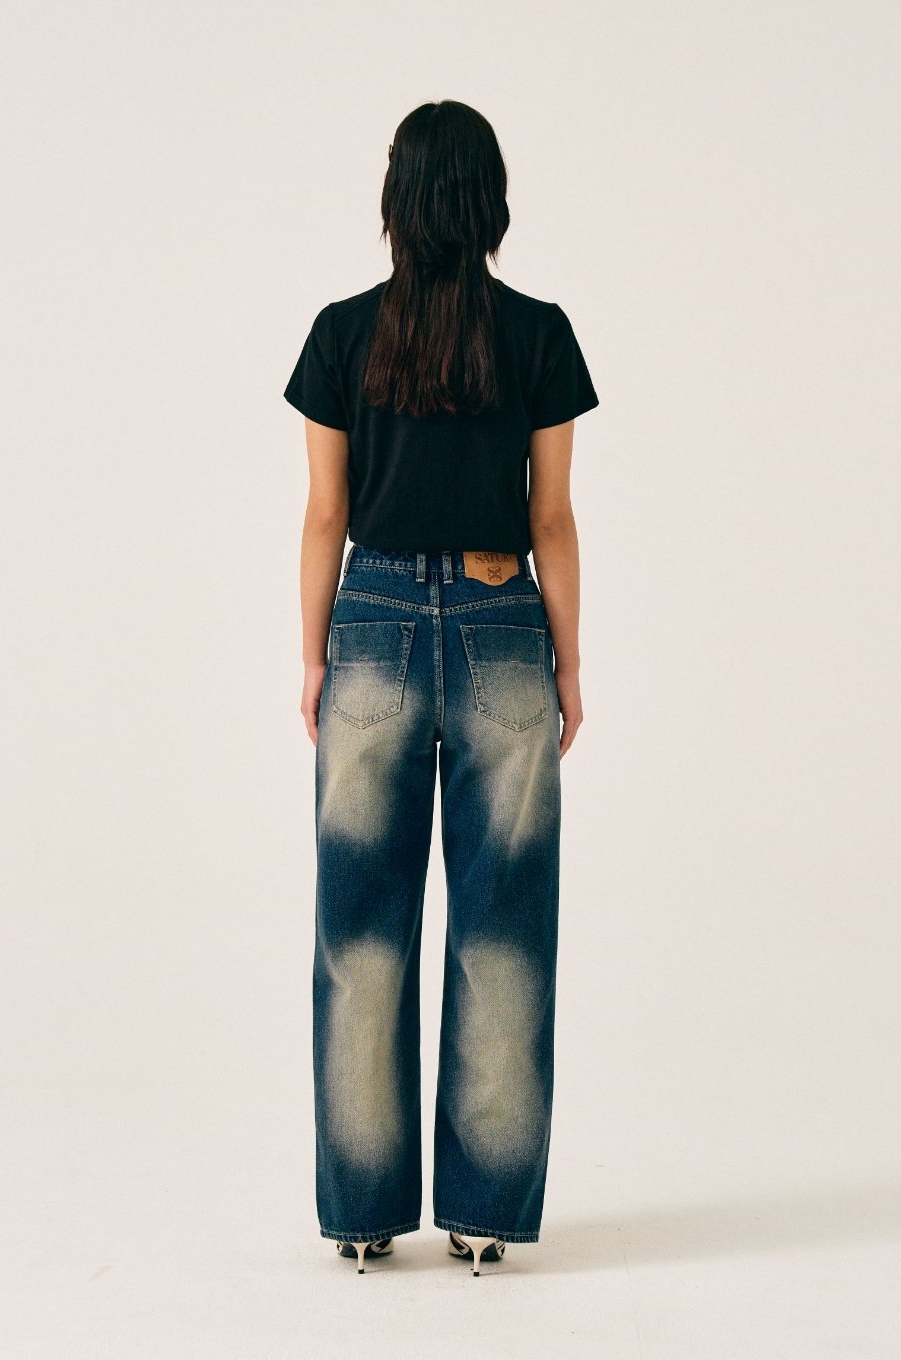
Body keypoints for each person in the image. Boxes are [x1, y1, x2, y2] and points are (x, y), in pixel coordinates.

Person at [284, 100, 597, 1275]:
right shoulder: (538, 334)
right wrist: (568, 660)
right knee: (503, 930)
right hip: (501, 624)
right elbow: (550, 517)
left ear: (397, 200)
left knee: (358, 934)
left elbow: (325, 512)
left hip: (368, 626)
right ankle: (483, 1217)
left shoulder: (340, 333)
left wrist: (313, 655)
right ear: (490, 199)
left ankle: (364, 1217)